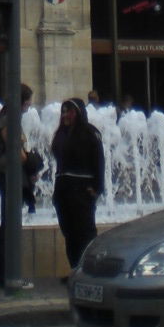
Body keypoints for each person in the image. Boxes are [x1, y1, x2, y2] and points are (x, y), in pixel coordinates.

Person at [0, 83, 36, 290]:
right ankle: (5, 275)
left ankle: (4, 274)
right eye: (27, 101)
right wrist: (31, 162)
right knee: (9, 225)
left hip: (9, 173)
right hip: (7, 174)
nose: (29, 105)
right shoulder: (8, 119)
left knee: (10, 224)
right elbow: (15, 149)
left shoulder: (8, 117)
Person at [51, 98, 105, 274]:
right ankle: (75, 269)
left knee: (85, 232)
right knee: (69, 233)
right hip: (63, 189)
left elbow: (99, 162)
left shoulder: (90, 133)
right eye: (64, 111)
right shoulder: (61, 134)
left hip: (82, 190)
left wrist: (96, 188)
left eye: (70, 112)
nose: (66, 115)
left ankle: (88, 270)